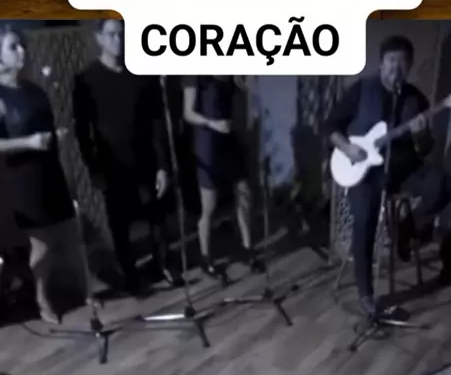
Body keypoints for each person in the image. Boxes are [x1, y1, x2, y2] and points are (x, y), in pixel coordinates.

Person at [329, 35, 451, 321]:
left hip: (404, 167)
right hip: (366, 169)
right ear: (381, 63)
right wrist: (348, 148)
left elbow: (425, 148)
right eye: (391, 60)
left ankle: (406, 228)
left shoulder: (415, 98)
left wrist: (420, 135)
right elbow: (331, 126)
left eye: (402, 61)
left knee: (445, 186)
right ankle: (366, 293)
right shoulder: (362, 89)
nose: (396, 67)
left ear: (409, 66)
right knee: (364, 219)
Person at [73, 20, 181, 295]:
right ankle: (131, 276)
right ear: (99, 38)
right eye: (111, 34)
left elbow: (156, 121)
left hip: (145, 158)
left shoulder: (141, 74)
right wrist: (93, 167)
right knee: (120, 224)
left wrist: (163, 165)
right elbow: (83, 131)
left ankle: (164, 264)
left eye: (122, 34)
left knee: (156, 216)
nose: (118, 40)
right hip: (112, 163)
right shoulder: (86, 80)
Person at [0, 25, 92, 324]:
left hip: (50, 169)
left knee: (70, 233)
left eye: (22, 45)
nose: (22, 51)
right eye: (13, 47)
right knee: (42, 244)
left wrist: (56, 136)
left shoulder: (34, 90)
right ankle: (43, 300)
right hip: (23, 178)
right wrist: (28, 142)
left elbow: (45, 126)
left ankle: (86, 291)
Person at [182, 76, 262, 277]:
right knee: (209, 204)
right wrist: (212, 123)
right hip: (207, 141)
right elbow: (188, 113)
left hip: (229, 138)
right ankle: (206, 258)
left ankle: (247, 249)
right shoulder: (194, 74)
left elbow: (245, 88)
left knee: (244, 192)